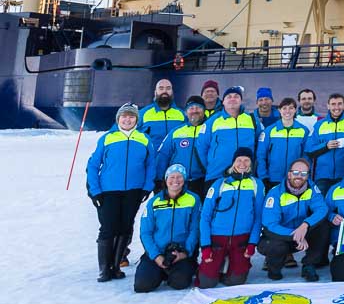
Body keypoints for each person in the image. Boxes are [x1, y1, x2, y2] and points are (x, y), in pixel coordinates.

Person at [87, 103, 155, 282]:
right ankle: (104, 269)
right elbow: (93, 165)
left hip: (133, 191)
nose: (127, 119)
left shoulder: (144, 139)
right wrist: (95, 191)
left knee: (125, 227)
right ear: (118, 119)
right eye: (124, 116)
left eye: (131, 116)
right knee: (108, 228)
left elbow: (151, 165)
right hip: (109, 191)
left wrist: (147, 187)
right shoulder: (107, 138)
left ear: (136, 120)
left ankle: (116, 266)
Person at [198, 147, 265, 288]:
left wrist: (252, 243)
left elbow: (258, 216)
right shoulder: (219, 184)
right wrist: (205, 245)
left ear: (251, 163)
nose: (243, 163)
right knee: (206, 283)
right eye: (239, 160)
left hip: (241, 239)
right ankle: (220, 262)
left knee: (236, 281)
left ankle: (230, 263)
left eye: (247, 160)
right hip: (217, 238)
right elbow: (205, 216)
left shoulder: (256, 184)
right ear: (233, 162)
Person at [259, 158, 329, 282]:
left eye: (303, 174)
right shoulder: (275, 193)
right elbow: (270, 224)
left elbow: (322, 209)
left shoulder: (312, 189)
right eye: (296, 172)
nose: (299, 176)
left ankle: (309, 265)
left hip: (302, 233)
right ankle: (273, 268)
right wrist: (295, 235)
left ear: (308, 176)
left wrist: (305, 225)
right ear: (289, 174)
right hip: (281, 236)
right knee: (276, 246)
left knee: (323, 226)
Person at [133, 163, 200, 292]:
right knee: (142, 285)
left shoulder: (193, 199)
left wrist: (185, 253)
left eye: (179, 177)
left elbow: (194, 229)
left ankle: (177, 270)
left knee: (179, 283)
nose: (175, 180)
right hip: (157, 251)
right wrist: (156, 256)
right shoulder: (155, 201)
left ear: (184, 179)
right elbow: (145, 232)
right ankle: (158, 270)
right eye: (172, 177)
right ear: (166, 179)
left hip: (179, 253)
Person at [199, 88, 262, 185]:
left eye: (236, 96)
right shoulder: (212, 121)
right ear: (223, 102)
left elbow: (260, 145)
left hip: (245, 176)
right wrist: (211, 166)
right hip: (216, 176)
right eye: (229, 97)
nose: (233, 99)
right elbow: (201, 147)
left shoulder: (252, 120)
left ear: (241, 101)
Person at [306, 93, 344, 191]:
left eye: (339, 104)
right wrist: (326, 146)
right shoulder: (319, 125)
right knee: (322, 204)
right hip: (322, 176)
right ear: (328, 106)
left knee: (341, 205)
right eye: (333, 104)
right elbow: (309, 150)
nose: (336, 107)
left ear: (343, 105)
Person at [156, 96, 208, 194]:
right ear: (186, 112)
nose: (195, 111)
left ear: (204, 110)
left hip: (202, 181)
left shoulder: (210, 130)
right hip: (178, 183)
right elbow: (163, 155)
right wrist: (159, 179)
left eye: (198, 107)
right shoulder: (176, 132)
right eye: (191, 108)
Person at [257, 98, 309, 192]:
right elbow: (261, 156)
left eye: (291, 108)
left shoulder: (303, 131)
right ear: (279, 110)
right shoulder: (269, 131)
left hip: (295, 178)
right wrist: (263, 177)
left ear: (295, 110)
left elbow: (306, 156)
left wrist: (303, 175)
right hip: (273, 178)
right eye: (284, 108)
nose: (287, 111)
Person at [138, 79, 184, 148]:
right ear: (155, 92)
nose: (164, 91)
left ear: (172, 92)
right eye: (161, 88)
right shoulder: (143, 114)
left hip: (175, 158)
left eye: (168, 88)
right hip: (152, 158)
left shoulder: (182, 114)